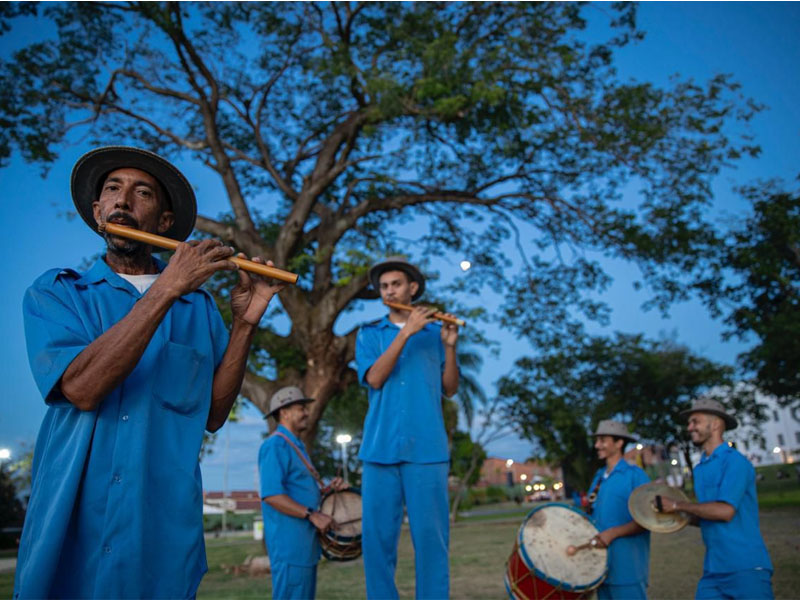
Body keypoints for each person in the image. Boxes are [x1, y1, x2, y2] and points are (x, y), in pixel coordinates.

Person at [14, 146, 284, 599]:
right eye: (112, 190)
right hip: (73, 522)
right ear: (98, 212)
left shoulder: (199, 308)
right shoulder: (57, 293)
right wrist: (167, 287)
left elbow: (214, 415)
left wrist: (244, 324)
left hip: (159, 527)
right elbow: (81, 388)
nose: (123, 201)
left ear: (163, 222)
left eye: (142, 193)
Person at [355, 256, 459, 600]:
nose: (389, 291)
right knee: (377, 544)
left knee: (432, 541)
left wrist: (449, 347)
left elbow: (450, 388)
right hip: (379, 449)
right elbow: (375, 378)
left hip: (427, 451)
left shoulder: (435, 334)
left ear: (412, 288)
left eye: (396, 284)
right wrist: (406, 333)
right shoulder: (369, 333)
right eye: (383, 287)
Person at [661, 398, 774, 600]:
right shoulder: (700, 468)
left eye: (695, 421)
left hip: (745, 566)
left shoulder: (735, 462)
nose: (689, 427)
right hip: (714, 568)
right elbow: (706, 514)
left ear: (715, 425)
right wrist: (673, 514)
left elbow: (724, 511)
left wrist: (678, 504)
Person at [259, 386, 346, 600]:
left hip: (305, 547)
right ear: (284, 412)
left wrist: (328, 490)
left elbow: (300, 490)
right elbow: (272, 495)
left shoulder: (296, 446)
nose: (307, 413)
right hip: (290, 547)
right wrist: (312, 514)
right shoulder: (275, 445)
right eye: (301, 408)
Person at [586, 420, 651, 600]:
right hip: (601, 570)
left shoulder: (635, 475)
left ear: (619, 443)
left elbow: (648, 520)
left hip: (627, 569)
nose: (597, 445)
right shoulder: (598, 477)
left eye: (603, 440)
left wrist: (613, 533)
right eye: (597, 440)